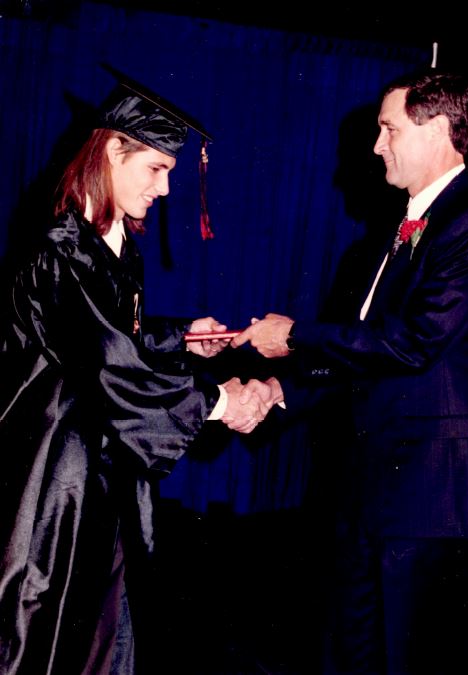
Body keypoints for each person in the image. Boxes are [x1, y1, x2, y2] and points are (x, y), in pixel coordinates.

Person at [231, 70, 468, 674]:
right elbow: (359, 357)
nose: (377, 145)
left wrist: (295, 334)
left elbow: (413, 344)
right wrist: (278, 390)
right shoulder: (394, 230)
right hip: (365, 494)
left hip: (425, 501)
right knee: (346, 656)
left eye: (389, 129)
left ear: (437, 130)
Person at [0, 70, 280, 674]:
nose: (166, 187)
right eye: (156, 168)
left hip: (105, 468)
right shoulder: (60, 250)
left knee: (105, 630)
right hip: (56, 477)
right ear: (111, 151)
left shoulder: (115, 248)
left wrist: (184, 337)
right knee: (46, 627)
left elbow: (116, 336)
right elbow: (105, 359)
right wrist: (217, 401)